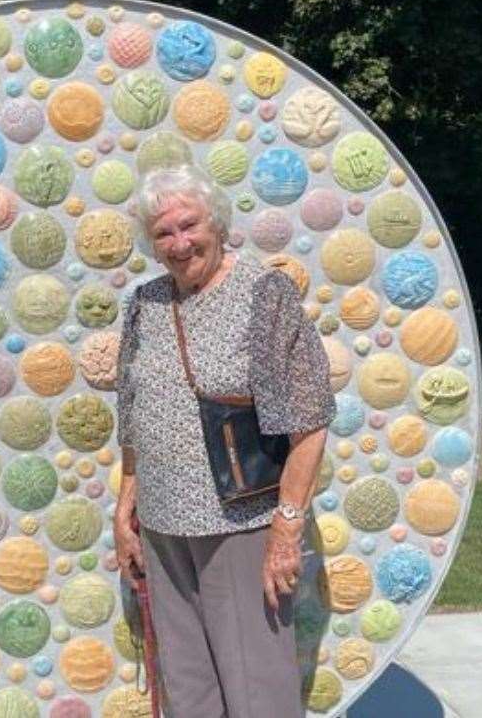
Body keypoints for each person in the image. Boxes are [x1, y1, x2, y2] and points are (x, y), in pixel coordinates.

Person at [112, 164, 335, 717]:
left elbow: (309, 419)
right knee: (188, 686)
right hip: (164, 527)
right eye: (164, 233)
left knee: (257, 683)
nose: (180, 243)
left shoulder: (263, 293)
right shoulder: (145, 303)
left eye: (190, 225)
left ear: (217, 223)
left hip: (239, 525)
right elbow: (133, 412)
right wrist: (125, 508)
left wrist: (287, 525)